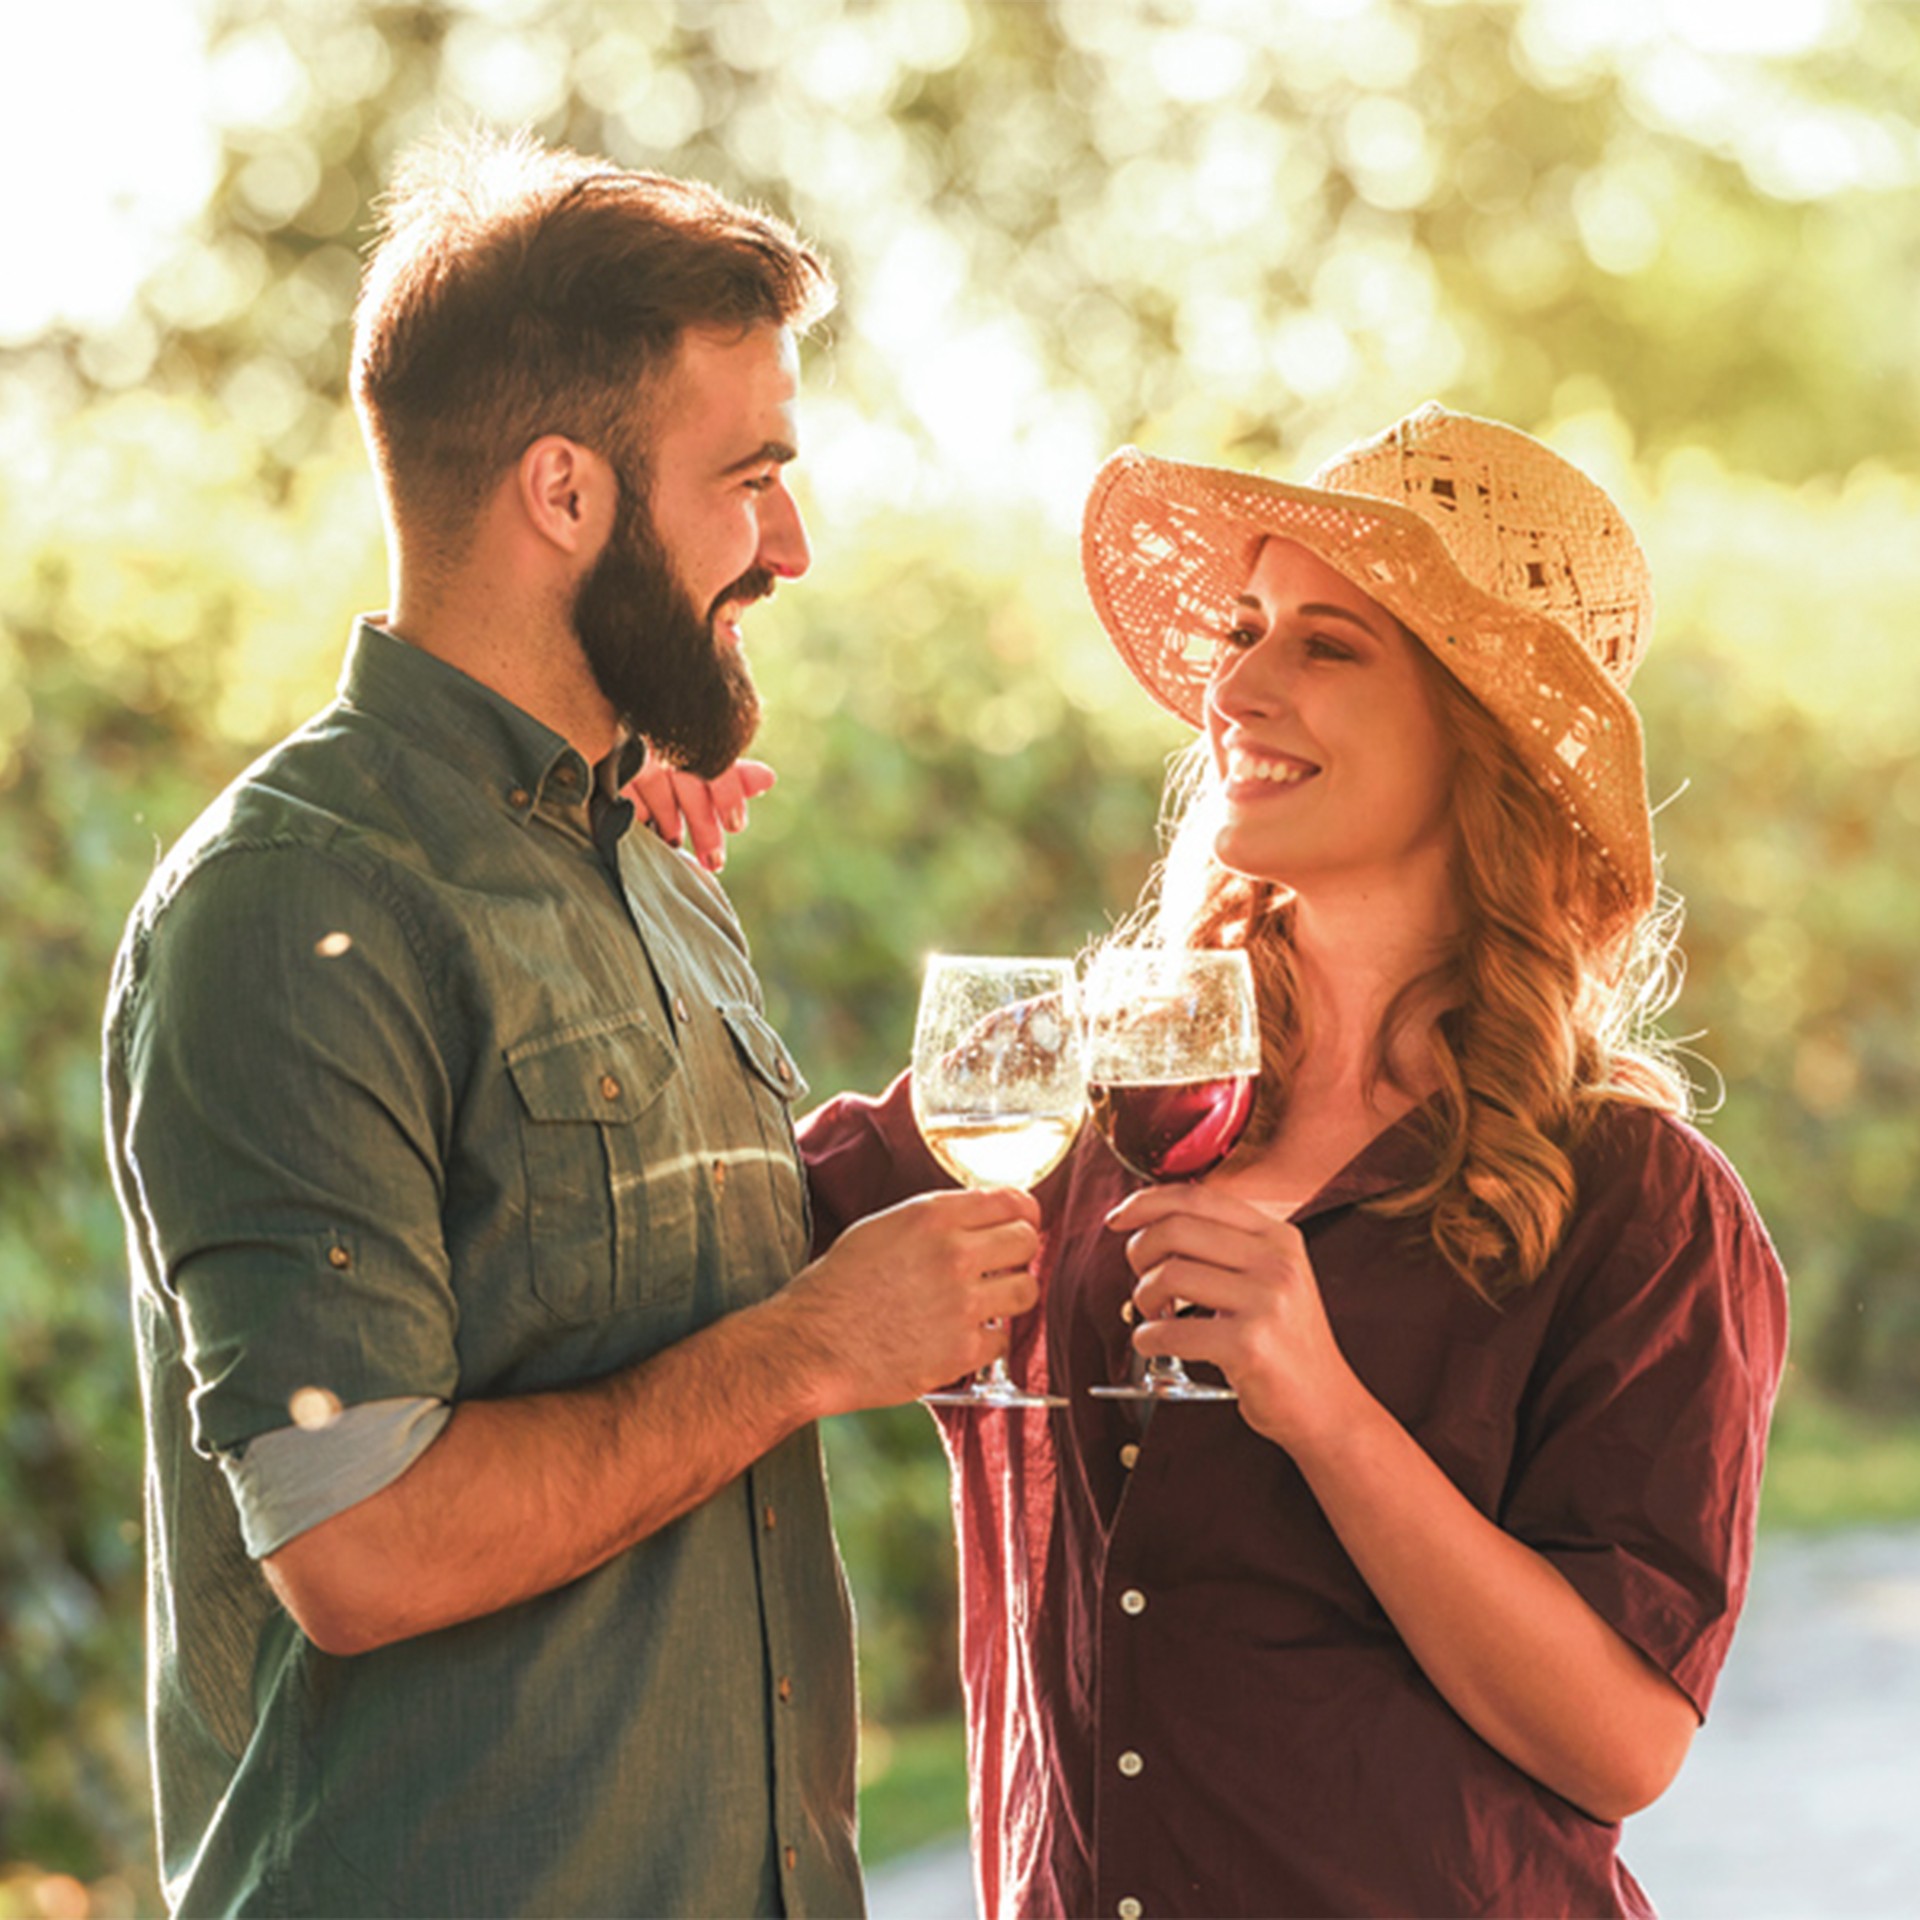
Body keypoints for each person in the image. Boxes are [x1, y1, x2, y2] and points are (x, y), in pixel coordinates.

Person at [102, 128, 1041, 1919]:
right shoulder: (294, 909)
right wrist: (815, 1353)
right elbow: (360, 1545)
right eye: (749, 476)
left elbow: (652, 1274)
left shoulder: (658, 865)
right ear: (563, 493)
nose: (794, 544)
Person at [799, 404, 1790, 1917]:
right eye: (1247, 629)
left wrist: (1322, 1405)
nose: (1236, 687)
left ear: (1482, 736)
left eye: (1328, 647)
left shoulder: (1641, 1207)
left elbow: (1621, 1743)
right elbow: (747, 1227)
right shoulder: (1083, 1070)